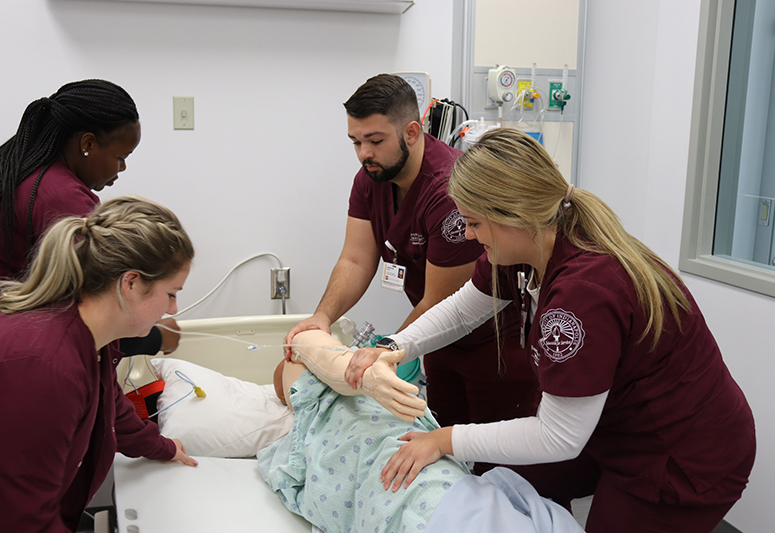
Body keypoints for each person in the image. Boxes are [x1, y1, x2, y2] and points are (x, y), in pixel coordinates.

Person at [344, 128, 756, 533]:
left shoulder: (584, 291)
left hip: (679, 454)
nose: (468, 235)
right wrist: (393, 346)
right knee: (506, 482)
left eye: (474, 223)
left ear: (513, 215)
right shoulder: (530, 245)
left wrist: (444, 439)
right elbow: (465, 308)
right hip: (609, 428)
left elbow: (559, 438)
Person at [283, 74, 539, 461]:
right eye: (355, 142)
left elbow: (444, 303)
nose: (363, 153)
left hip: (491, 348)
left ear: (413, 132)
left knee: (499, 464)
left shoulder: (450, 191)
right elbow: (355, 258)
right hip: (434, 341)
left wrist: (383, 353)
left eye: (375, 141)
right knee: (448, 455)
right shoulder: (371, 179)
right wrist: (322, 318)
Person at [0, 196, 198, 532]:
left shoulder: (88, 335)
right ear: (131, 283)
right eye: (171, 293)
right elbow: (21, 520)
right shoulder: (44, 366)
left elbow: (110, 407)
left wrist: (161, 447)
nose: (172, 309)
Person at [260, 330, 584, 533]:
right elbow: (301, 341)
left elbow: (300, 347)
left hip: (382, 470)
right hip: (423, 461)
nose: (470, 234)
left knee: (302, 369)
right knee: (305, 356)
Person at [0, 79, 179, 354]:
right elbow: (91, 306)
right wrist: (153, 338)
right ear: (88, 143)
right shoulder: (62, 196)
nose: (123, 167)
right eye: (120, 157)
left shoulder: (14, 165)